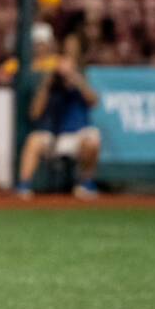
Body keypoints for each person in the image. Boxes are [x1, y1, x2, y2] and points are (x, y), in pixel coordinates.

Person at [16, 55, 101, 200]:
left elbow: (94, 101)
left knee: (92, 140)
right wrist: (47, 84)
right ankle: (24, 185)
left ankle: (85, 183)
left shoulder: (79, 87)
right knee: (34, 140)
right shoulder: (51, 88)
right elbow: (35, 113)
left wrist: (75, 78)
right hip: (55, 137)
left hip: (78, 136)